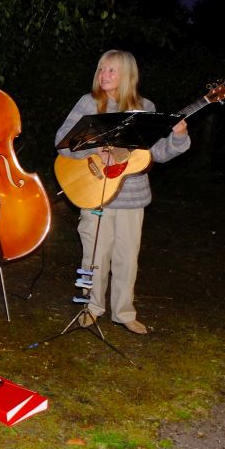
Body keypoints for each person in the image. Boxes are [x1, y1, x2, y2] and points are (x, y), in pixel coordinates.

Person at [55, 49, 190, 335]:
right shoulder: (89, 103)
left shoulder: (145, 107)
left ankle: (124, 312)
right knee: (94, 254)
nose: (104, 75)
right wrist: (96, 150)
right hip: (94, 191)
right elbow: (63, 141)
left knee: (127, 257)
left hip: (132, 196)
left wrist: (178, 138)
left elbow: (158, 154)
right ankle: (91, 308)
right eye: (101, 69)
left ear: (127, 74)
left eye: (111, 70)